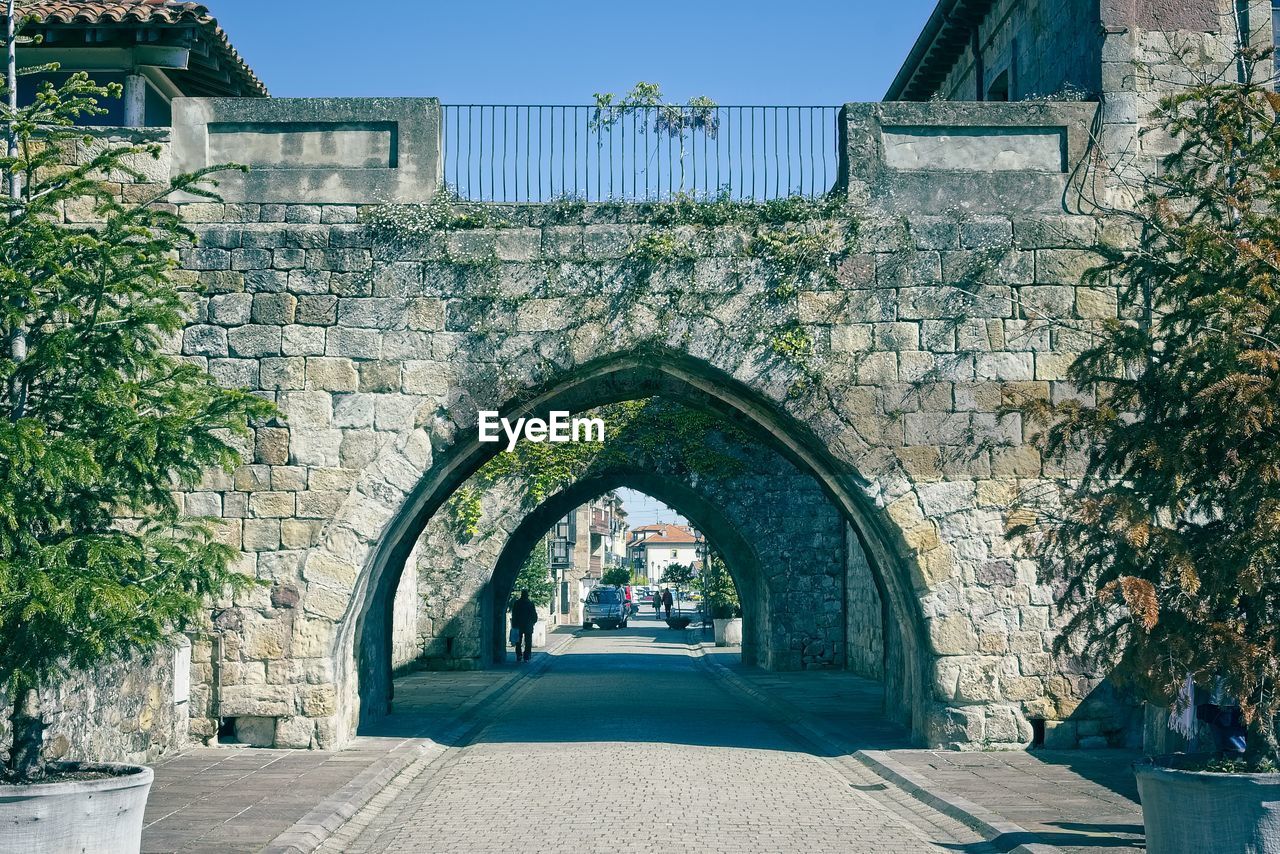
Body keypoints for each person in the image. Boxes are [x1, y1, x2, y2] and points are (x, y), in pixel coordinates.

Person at [510, 589, 538, 663]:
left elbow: (514, 614)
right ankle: (527, 656)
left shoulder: (517, 603)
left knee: (518, 641)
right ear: (527, 595)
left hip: (518, 625)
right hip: (528, 625)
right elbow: (534, 615)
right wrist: (533, 622)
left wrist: (513, 624)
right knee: (528, 641)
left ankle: (519, 655)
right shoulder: (530, 604)